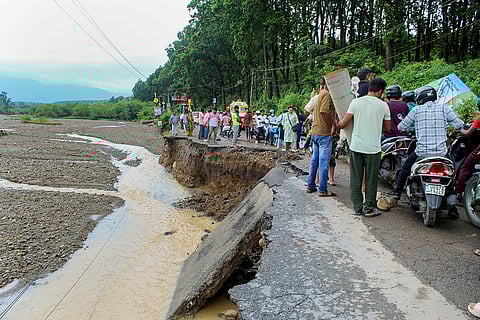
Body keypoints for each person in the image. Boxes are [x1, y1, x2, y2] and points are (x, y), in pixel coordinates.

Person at [388, 85, 464, 218]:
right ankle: (452, 206)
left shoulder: (416, 110)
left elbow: (401, 126)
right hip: (441, 153)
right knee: (451, 174)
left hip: (421, 153)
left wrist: (408, 128)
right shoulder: (445, 108)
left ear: (420, 98)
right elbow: (459, 125)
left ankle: (397, 192)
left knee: (406, 167)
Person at [337, 78, 391, 216]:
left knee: (356, 178)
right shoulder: (383, 106)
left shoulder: (355, 102)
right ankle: (369, 208)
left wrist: (334, 124)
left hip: (356, 146)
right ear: (380, 91)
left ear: (369, 89)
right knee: (371, 179)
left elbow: (343, 124)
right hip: (373, 148)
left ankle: (357, 207)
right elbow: (388, 128)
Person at [305, 79, 337, 196]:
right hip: (324, 133)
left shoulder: (318, 96)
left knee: (315, 161)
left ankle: (310, 185)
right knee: (324, 163)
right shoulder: (327, 95)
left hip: (315, 132)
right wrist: (333, 124)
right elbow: (324, 112)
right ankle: (323, 190)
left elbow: (308, 109)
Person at [456, 112, 480, 198]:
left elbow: (467, 133)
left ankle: (458, 193)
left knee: (465, 167)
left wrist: (459, 129)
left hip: (477, 150)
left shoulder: (478, 119)